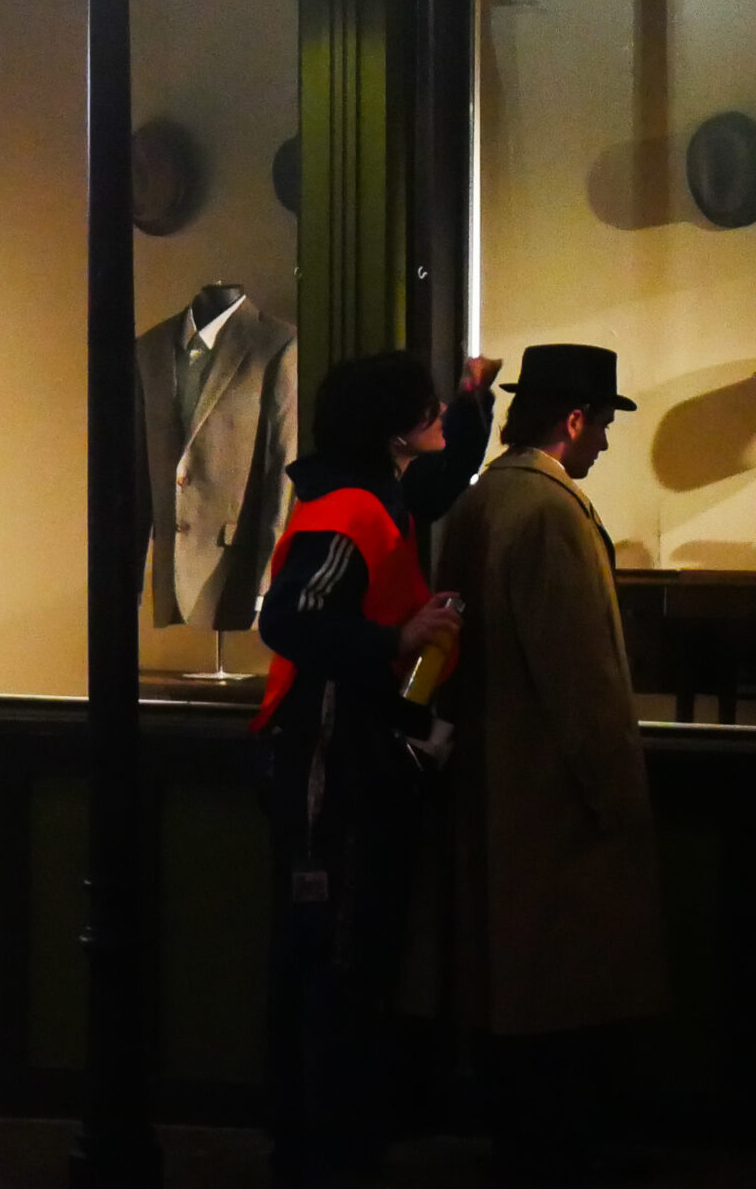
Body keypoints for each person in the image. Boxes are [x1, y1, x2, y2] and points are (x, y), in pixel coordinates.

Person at [254, 348, 499, 1189]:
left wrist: (472, 407)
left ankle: (328, 1143)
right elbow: (289, 619)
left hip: (349, 754)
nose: (436, 420)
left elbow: (438, 481)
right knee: (336, 957)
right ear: (394, 432)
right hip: (332, 761)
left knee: (345, 956)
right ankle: (321, 1151)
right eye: (428, 410)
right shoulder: (351, 508)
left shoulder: (375, 491)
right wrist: (395, 638)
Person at [438, 342, 667, 1186]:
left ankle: (526, 1146)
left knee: (511, 992)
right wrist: (619, 796)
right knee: (566, 991)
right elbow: (584, 679)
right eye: (602, 425)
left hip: (494, 792)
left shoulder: (482, 501)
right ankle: (562, 1153)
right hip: (554, 799)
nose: (603, 442)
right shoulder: (552, 514)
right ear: (573, 421)